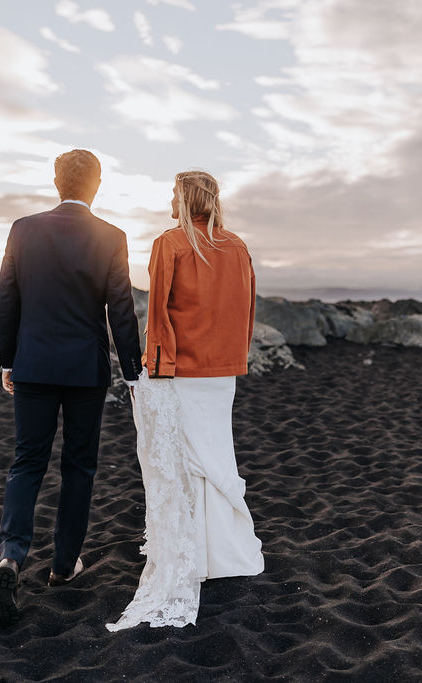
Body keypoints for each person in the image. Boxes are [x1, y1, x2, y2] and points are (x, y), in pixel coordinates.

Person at [0, 149, 142, 627]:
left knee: (27, 462)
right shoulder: (112, 236)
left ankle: (11, 556)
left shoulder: (23, 228)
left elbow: (7, 296)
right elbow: (121, 307)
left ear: (56, 182)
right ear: (97, 184)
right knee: (79, 466)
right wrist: (133, 370)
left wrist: (8, 359)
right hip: (84, 371)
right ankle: (62, 566)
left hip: (32, 364)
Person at [106, 170, 263, 631]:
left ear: (185, 198)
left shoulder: (171, 243)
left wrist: (154, 365)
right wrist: (237, 355)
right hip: (223, 372)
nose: (168, 202)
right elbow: (246, 308)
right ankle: (226, 554)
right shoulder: (237, 246)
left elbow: (157, 311)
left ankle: (199, 556)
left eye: (173, 194)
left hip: (181, 369)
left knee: (185, 462)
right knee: (215, 455)